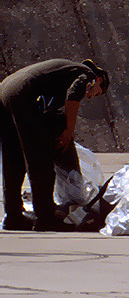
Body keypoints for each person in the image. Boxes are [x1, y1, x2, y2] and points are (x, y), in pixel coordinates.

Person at [1, 59, 109, 231]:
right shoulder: (86, 74)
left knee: (13, 159)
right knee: (40, 159)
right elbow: (73, 97)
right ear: (100, 81)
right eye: (96, 93)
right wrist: (68, 132)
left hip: (5, 91)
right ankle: (45, 217)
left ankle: (13, 216)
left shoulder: (64, 73)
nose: (90, 97)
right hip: (22, 95)